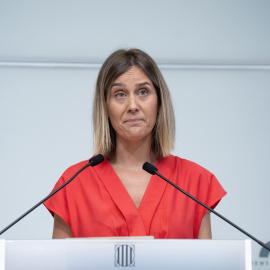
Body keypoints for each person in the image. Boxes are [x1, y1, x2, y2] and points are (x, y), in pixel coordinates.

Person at [44, 48, 226, 239]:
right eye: (120, 94)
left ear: (159, 103)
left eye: (143, 92)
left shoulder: (195, 182)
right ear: (105, 107)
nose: (132, 106)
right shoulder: (73, 184)